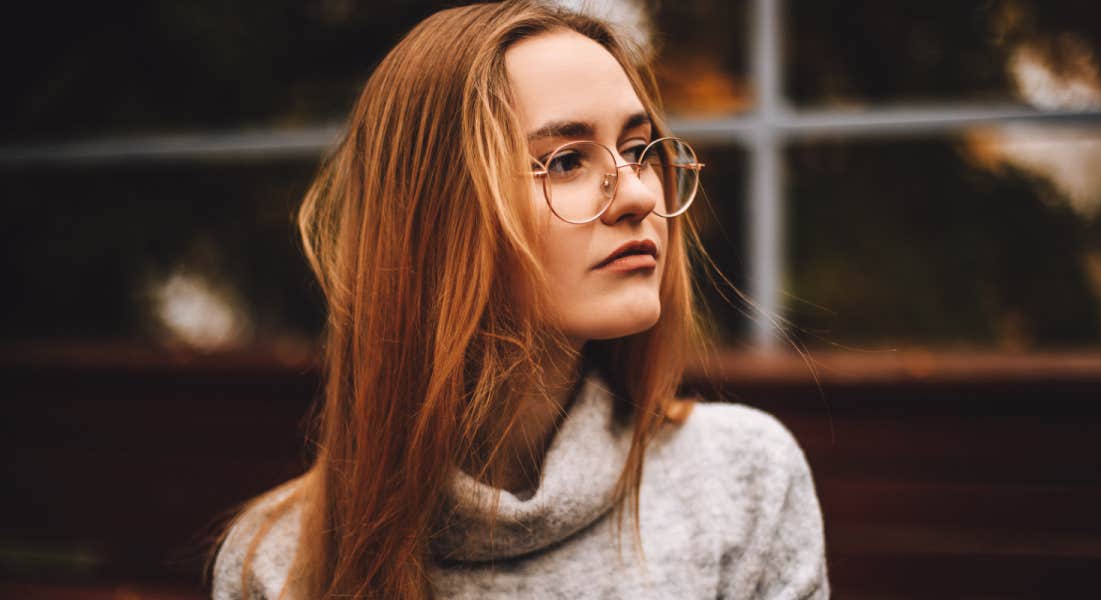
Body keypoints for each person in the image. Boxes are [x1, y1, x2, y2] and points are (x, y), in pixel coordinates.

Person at [210, 1, 828, 598]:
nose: (638, 194)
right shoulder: (277, 561)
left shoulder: (742, 479)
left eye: (639, 151)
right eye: (564, 161)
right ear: (435, 219)